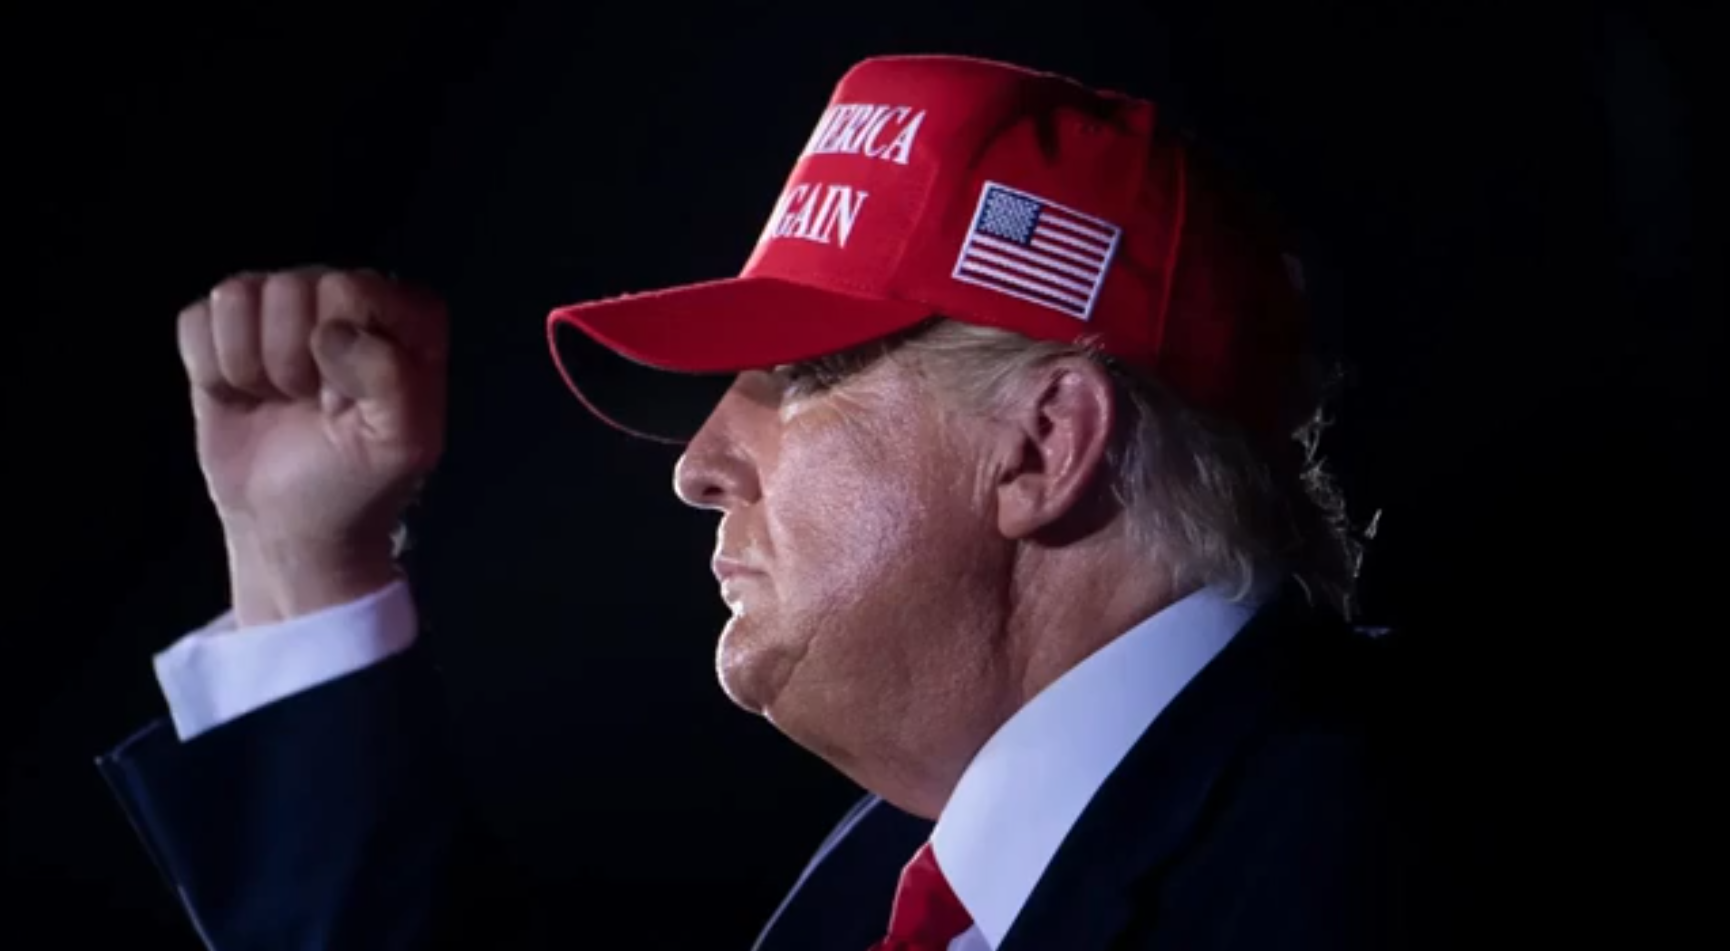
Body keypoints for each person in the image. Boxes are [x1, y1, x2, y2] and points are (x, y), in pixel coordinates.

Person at [99, 55, 1456, 950]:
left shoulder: (1395, 858)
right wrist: (301, 556)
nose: (695, 464)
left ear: (1044, 446)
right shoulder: (906, 874)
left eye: (800, 373)